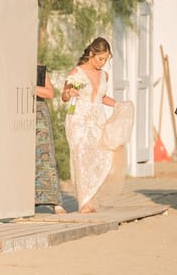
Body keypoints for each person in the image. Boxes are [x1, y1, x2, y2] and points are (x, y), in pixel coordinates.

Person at [62, 37, 133, 213]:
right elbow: (64, 96)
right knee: (81, 157)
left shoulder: (104, 75)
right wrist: (69, 93)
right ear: (92, 54)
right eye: (100, 59)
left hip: (97, 119)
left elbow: (101, 97)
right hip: (78, 119)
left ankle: (91, 196)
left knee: (103, 156)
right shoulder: (76, 73)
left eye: (106, 60)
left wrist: (117, 104)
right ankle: (84, 202)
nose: (103, 63)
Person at [34, 64, 67, 214]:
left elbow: (49, 93)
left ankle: (55, 201)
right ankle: (27, 200)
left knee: (46, 157)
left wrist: (30, 88)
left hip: (39, 114)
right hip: (18, 113)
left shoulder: (39, 68)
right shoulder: (10, 66)